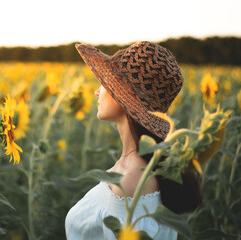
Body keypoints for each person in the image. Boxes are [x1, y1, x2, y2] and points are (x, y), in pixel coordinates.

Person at [65, 41, 201, 239]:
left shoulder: (132, 181)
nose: (97, 91)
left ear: (123, 95)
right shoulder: (134, 167)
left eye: (104, 82)